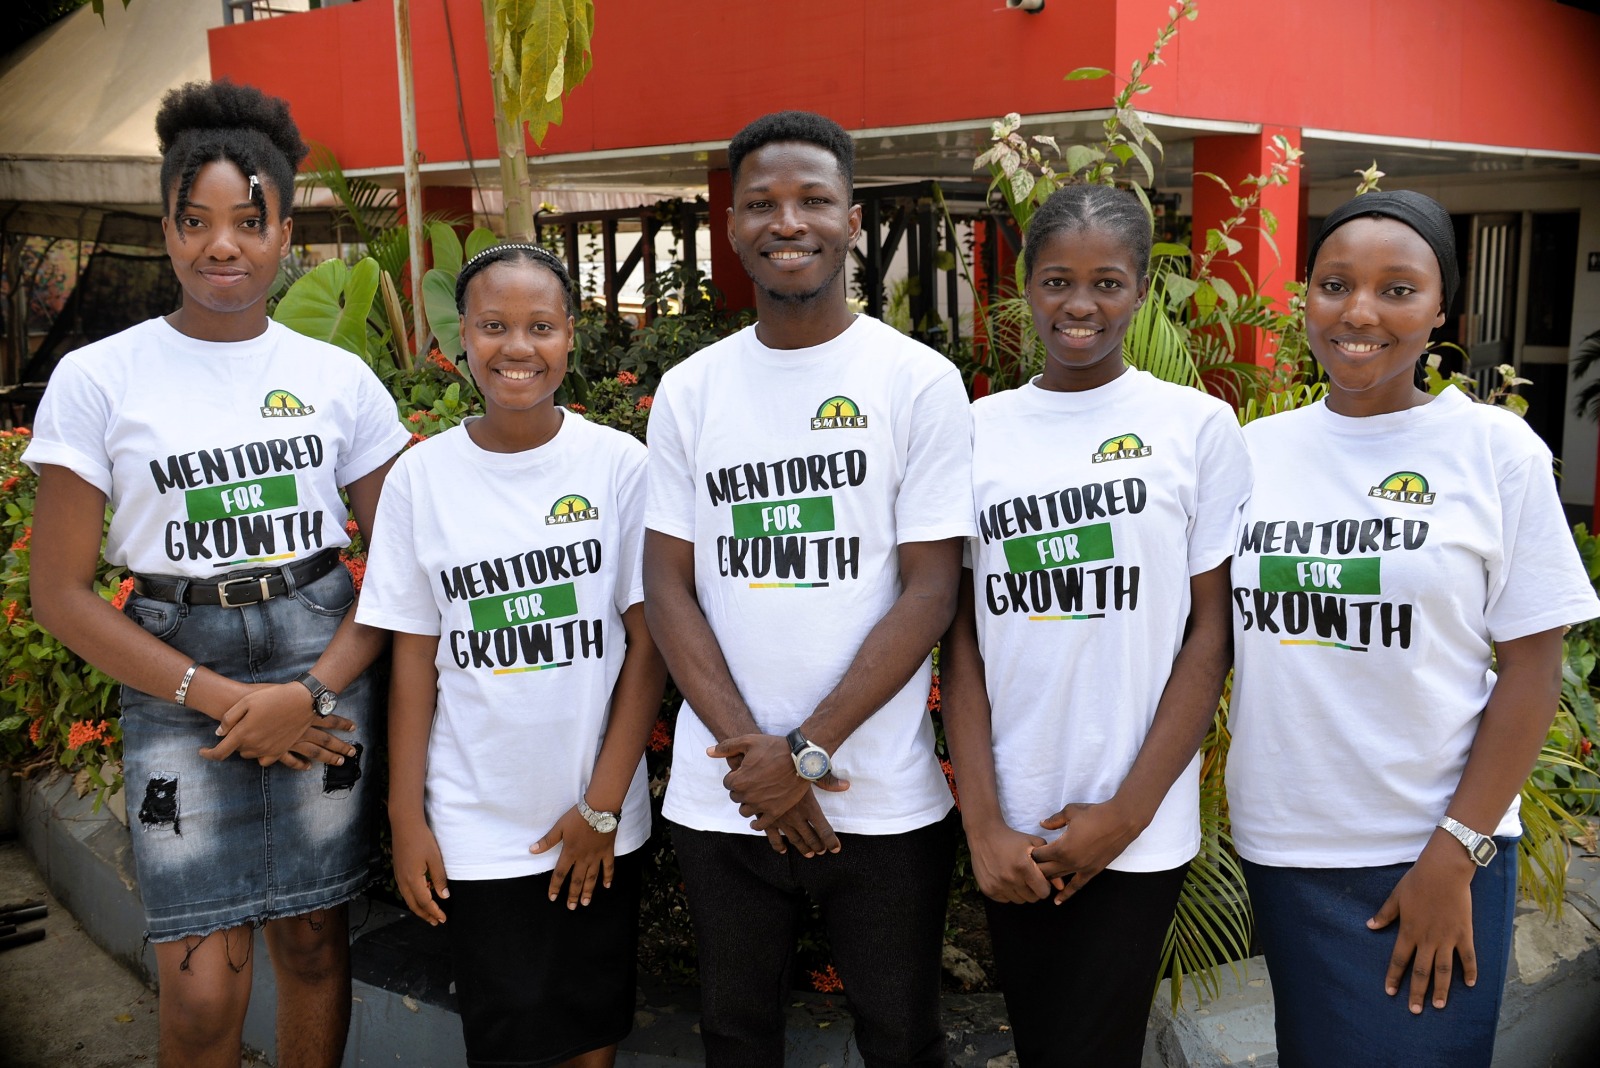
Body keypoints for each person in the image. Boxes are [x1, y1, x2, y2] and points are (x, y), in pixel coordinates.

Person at [24, 81, 407, 1067]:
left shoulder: (339, 381)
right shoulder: (99, 377)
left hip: (321, 660)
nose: (221, 246)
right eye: (195, 221)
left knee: (314, 942)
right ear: (166, 230)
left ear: (286, 233)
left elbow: (405, 566)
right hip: (176, 676)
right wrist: (227, 698)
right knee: (199, 993)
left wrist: (308, 691)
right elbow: (56, 594)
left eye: (249, 220)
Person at [1226, 189, 1600, 1067]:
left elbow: (1534, 669)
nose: (1359, 312)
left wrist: (1456, 852)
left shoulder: (1495, 450)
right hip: (1285, 843)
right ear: (1307, 298)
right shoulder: (1252, 451)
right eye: (1335, 285)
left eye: (1397, 290)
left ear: (1441, 311)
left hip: (1433, 850)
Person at [642, 111, 975, 1067]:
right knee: (734, 1037)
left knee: (902, 1038)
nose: (788, 222)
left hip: (882, 799)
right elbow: (667, 584)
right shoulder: (693, 390)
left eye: (814, 200)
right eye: (763, 204)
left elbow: (930, 590)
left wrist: (807, 753)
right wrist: (763, 766)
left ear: (852, 221)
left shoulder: (918, 382)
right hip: (727, 798)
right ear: (732, 226)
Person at [939, 184, 1250, 1066]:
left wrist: (1127, 814)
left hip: (1137, 825)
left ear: (1141, 290)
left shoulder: (1196, 427)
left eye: (1107, 283)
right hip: (1015, 821)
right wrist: (983, 822)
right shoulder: (975, 430)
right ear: (1026, 289)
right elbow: (959, 642)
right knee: (1046, 1044)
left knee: (1096, 1048)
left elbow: (1211, 636)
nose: (1081, 305)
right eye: (1058, 281)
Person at [357, 243, 666, 1068]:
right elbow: (413, 663)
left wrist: (602, 806)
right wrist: (407, 818)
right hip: (475, 822)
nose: (517, 347)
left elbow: (650, 646)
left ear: (570, 336)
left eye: (540, 326)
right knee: (508, 1042)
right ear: (462, 336)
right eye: (494, 326)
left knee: (590, 1038)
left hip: (596, 816)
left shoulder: (620, 467)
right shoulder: (421, 479)